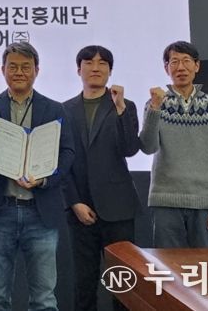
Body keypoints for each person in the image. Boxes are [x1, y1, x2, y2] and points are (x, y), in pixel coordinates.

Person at [0, 41, 74, 311]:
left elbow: (68, 152)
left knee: (44, 298)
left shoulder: (55, 109)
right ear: (2, 70)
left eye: (26, 67)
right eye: (12, 66)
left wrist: (45, 180)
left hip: (40, 211)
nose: (19, 72)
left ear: (37, 70)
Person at [62, 45, 140, 311]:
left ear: (110, 70)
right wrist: (74, 202)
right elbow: (61, 162)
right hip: (80, 207)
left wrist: (120, 110)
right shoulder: (64, 110)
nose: (95, 68)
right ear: (78, 70)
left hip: (118, 207)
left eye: (102, 63)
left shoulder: (124, 106)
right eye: (89, 62)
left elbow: (130, 148)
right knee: (84, 282)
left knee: (122, 282)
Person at [139, 41, 208, 248]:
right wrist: (155, 108)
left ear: (197, 66)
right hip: (165, 202)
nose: (181, 67)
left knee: (206, 265)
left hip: (204, 202)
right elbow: (148, 147)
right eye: (174, 62)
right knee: (168, 266)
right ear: (166, 68)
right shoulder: (155, 103)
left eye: (186, 61)